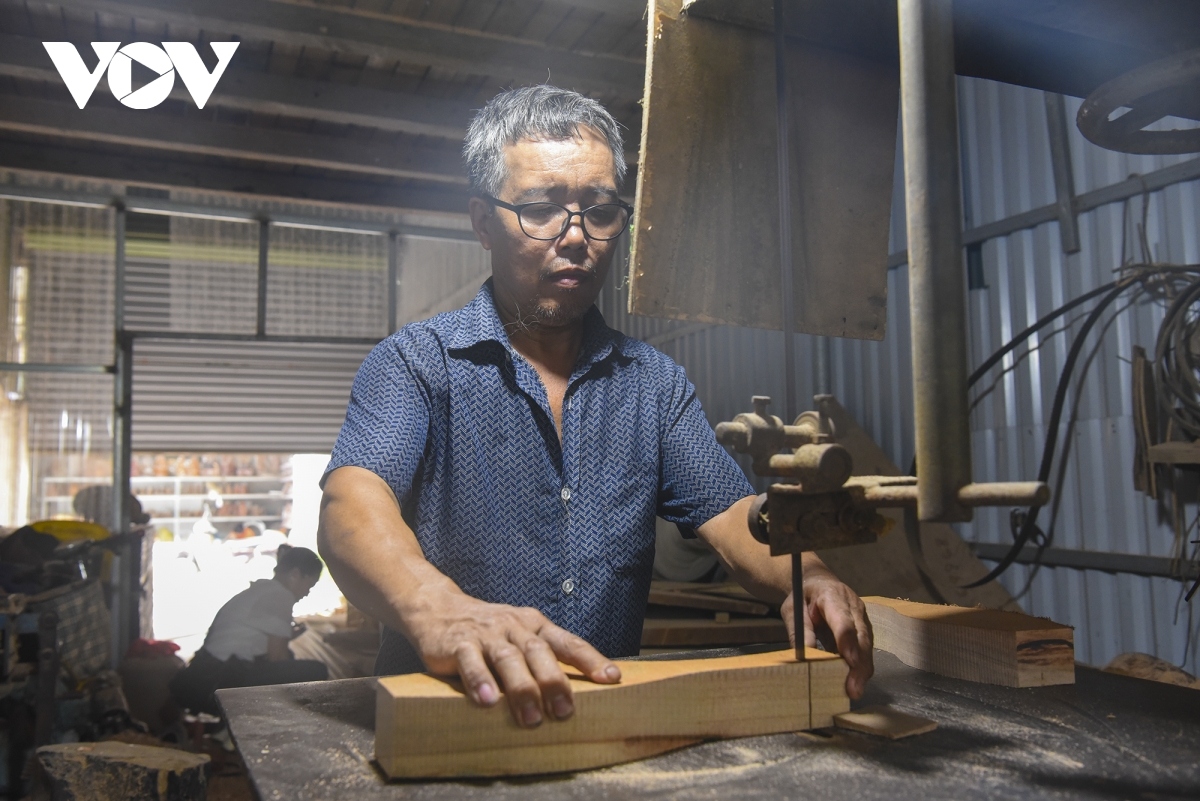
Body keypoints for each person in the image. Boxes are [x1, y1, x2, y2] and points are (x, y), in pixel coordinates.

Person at [318, 85, 873, 729]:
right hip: (453, 725)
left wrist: (810, 578)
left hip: (606, 725)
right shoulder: (415, 363)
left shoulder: (653, 384)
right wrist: (438, 608)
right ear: (481, 222)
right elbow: (351, 508)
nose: (577, 237)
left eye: (600, 210)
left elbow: (730, 516)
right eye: (542, 208)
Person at [169, 544, 328, 715]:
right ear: (295, 575)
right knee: (315, 670)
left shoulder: (262, 590)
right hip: (215, 683)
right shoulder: (280, 596)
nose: (307, 593)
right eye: (309, 586)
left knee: (290, 667)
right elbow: (277, 657)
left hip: (203, 676)